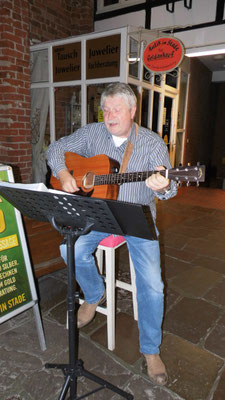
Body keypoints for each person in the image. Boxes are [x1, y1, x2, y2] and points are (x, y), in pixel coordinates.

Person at [46, 82, 177, 386]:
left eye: (116, 108)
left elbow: (171, 188)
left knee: (153, 286)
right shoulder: (92, 133)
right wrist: (64, 173)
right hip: (98, 213)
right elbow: (56, 148)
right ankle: (94, 294)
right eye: (105, 109)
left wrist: (165, 185)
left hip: (136, 215)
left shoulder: (152, 142)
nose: (109, 114)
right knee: (69, 250)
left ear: (132, 111)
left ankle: (151, 350)